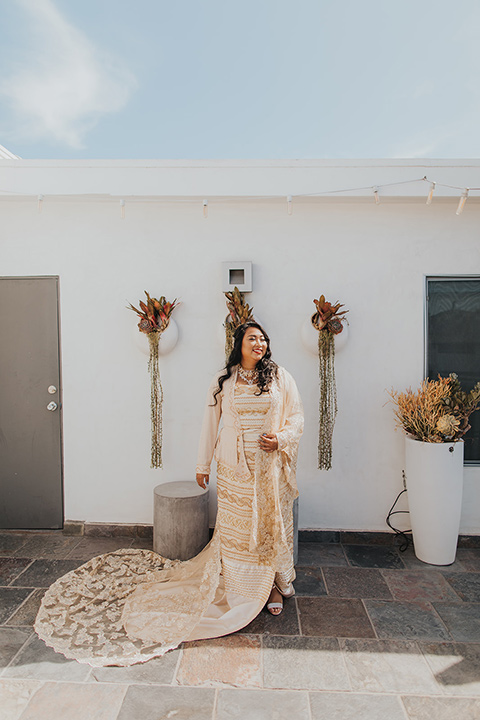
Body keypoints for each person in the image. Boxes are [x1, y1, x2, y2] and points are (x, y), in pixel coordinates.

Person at [34, 322, 303, 667]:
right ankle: (241, 588)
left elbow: (296, 417)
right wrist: (201, 463)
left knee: (270, 526)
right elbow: (210, 423)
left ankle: (274, 586)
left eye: (264, 339)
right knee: (237, 532)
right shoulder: (224, 379)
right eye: (253, 338)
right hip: (234, 467)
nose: (260, 343)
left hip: (269, 467)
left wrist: (280, 440)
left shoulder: (280, 378)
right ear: (239, 344)